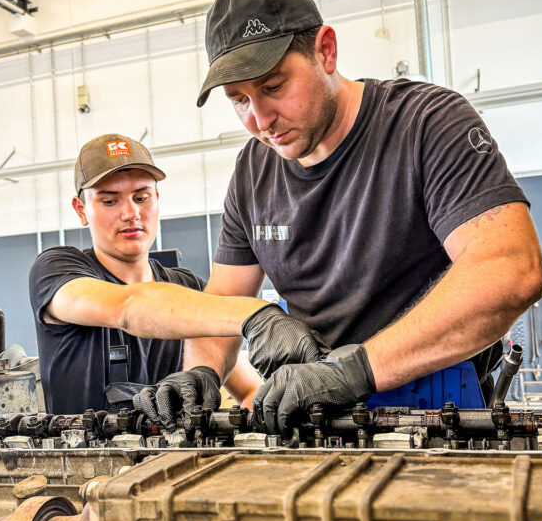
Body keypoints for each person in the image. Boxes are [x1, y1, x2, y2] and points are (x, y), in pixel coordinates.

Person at [165, 0, 542, 434]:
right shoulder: (253, 172)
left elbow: (509, 270)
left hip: (439, 413)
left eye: (274, 86)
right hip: (314, 414)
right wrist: (200, 373)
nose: (260, 120)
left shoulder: (425, 124)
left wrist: (353, 372)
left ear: (326, 50)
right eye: (239, 100)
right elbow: (223, 300)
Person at [29, 133, 324, 418]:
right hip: (83, 453)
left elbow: (249, 390)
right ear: (81, 210)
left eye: (141, 197)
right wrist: (256, 316)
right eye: (109, 201)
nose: (131, 213)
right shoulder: (56, 271)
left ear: (157, 198)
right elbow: (127, 306)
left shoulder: (189, 290)